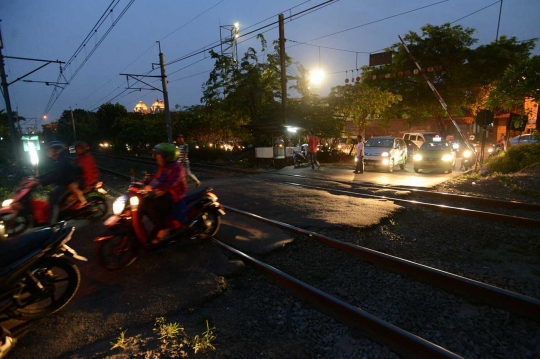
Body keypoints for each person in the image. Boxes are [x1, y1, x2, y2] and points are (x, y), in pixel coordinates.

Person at [144, 143, 188, 244]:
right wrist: (142, 183)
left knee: (152, 205)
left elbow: (172, 183)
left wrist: (155, 188)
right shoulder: (162, 168)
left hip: (176, 195)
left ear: (167, 157)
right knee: (146, 203)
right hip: (165, 192)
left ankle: (163, 229)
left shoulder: (177, 168)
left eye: (159, 156)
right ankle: (159, 225)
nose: (157, 158)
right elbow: (156, 179)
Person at [32, 142, 77, 225]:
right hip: (64, 183)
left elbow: (55, 176)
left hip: (67, 184)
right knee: (52, 195)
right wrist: (39, 178)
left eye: (50, 150)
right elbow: (53, 173)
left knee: (53, 202)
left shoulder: (61, 162)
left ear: (57, 152)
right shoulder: (59, 161)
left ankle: (52, 224)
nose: (48, 152)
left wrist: (41, 182)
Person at [68, 141, 99, 209]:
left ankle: (83, 201)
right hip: (82, 177)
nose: (76, 150)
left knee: (72, 186)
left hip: (87, 179)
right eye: (75, 149)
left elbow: (89, 173)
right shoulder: (79, 157)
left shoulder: (87, 158)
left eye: (77, 149)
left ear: (82, 149)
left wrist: (88, 185)